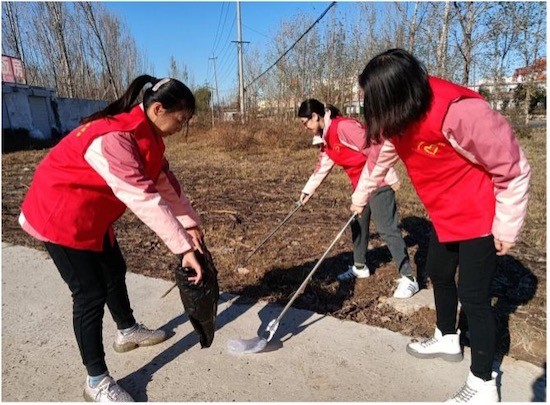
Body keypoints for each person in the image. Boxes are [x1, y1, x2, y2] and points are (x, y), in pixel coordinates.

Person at [356, 49, 531, 402]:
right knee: (436, 269)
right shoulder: (397, 119)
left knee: (475, 298)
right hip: (445, 212)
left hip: (479, 213)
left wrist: (506, 228)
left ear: (397, 94)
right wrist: (361, 196)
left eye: (373, 99)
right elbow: (379, 160)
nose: (369, 107)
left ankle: (483, 382)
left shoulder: (459, 112)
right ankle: (447, 338)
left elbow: (512, 168)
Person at [19, 75, 205, 402]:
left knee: (114, 270)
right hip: (60, 217)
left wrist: (190, 224)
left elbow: (165, 183)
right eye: (181, 119)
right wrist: (183, 248)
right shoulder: (115, 139)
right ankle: (96, 380)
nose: (183, 127)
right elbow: (144, 198)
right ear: (159, 109)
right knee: (89, 294)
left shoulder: (149, 134)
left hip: (93, 216)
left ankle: (127, 330)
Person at [297, 98, 419, 299]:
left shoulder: (343, 127)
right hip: (359, 188)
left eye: (306, 123)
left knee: (387, 229)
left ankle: (409, 278)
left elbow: (375, 148)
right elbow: (322, 168)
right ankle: (360, 266)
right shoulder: (325, 138)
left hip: (378, 182)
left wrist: (389, 175)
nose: (306, 127)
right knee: (358, 224)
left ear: (315, 116)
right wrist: (307, 191)